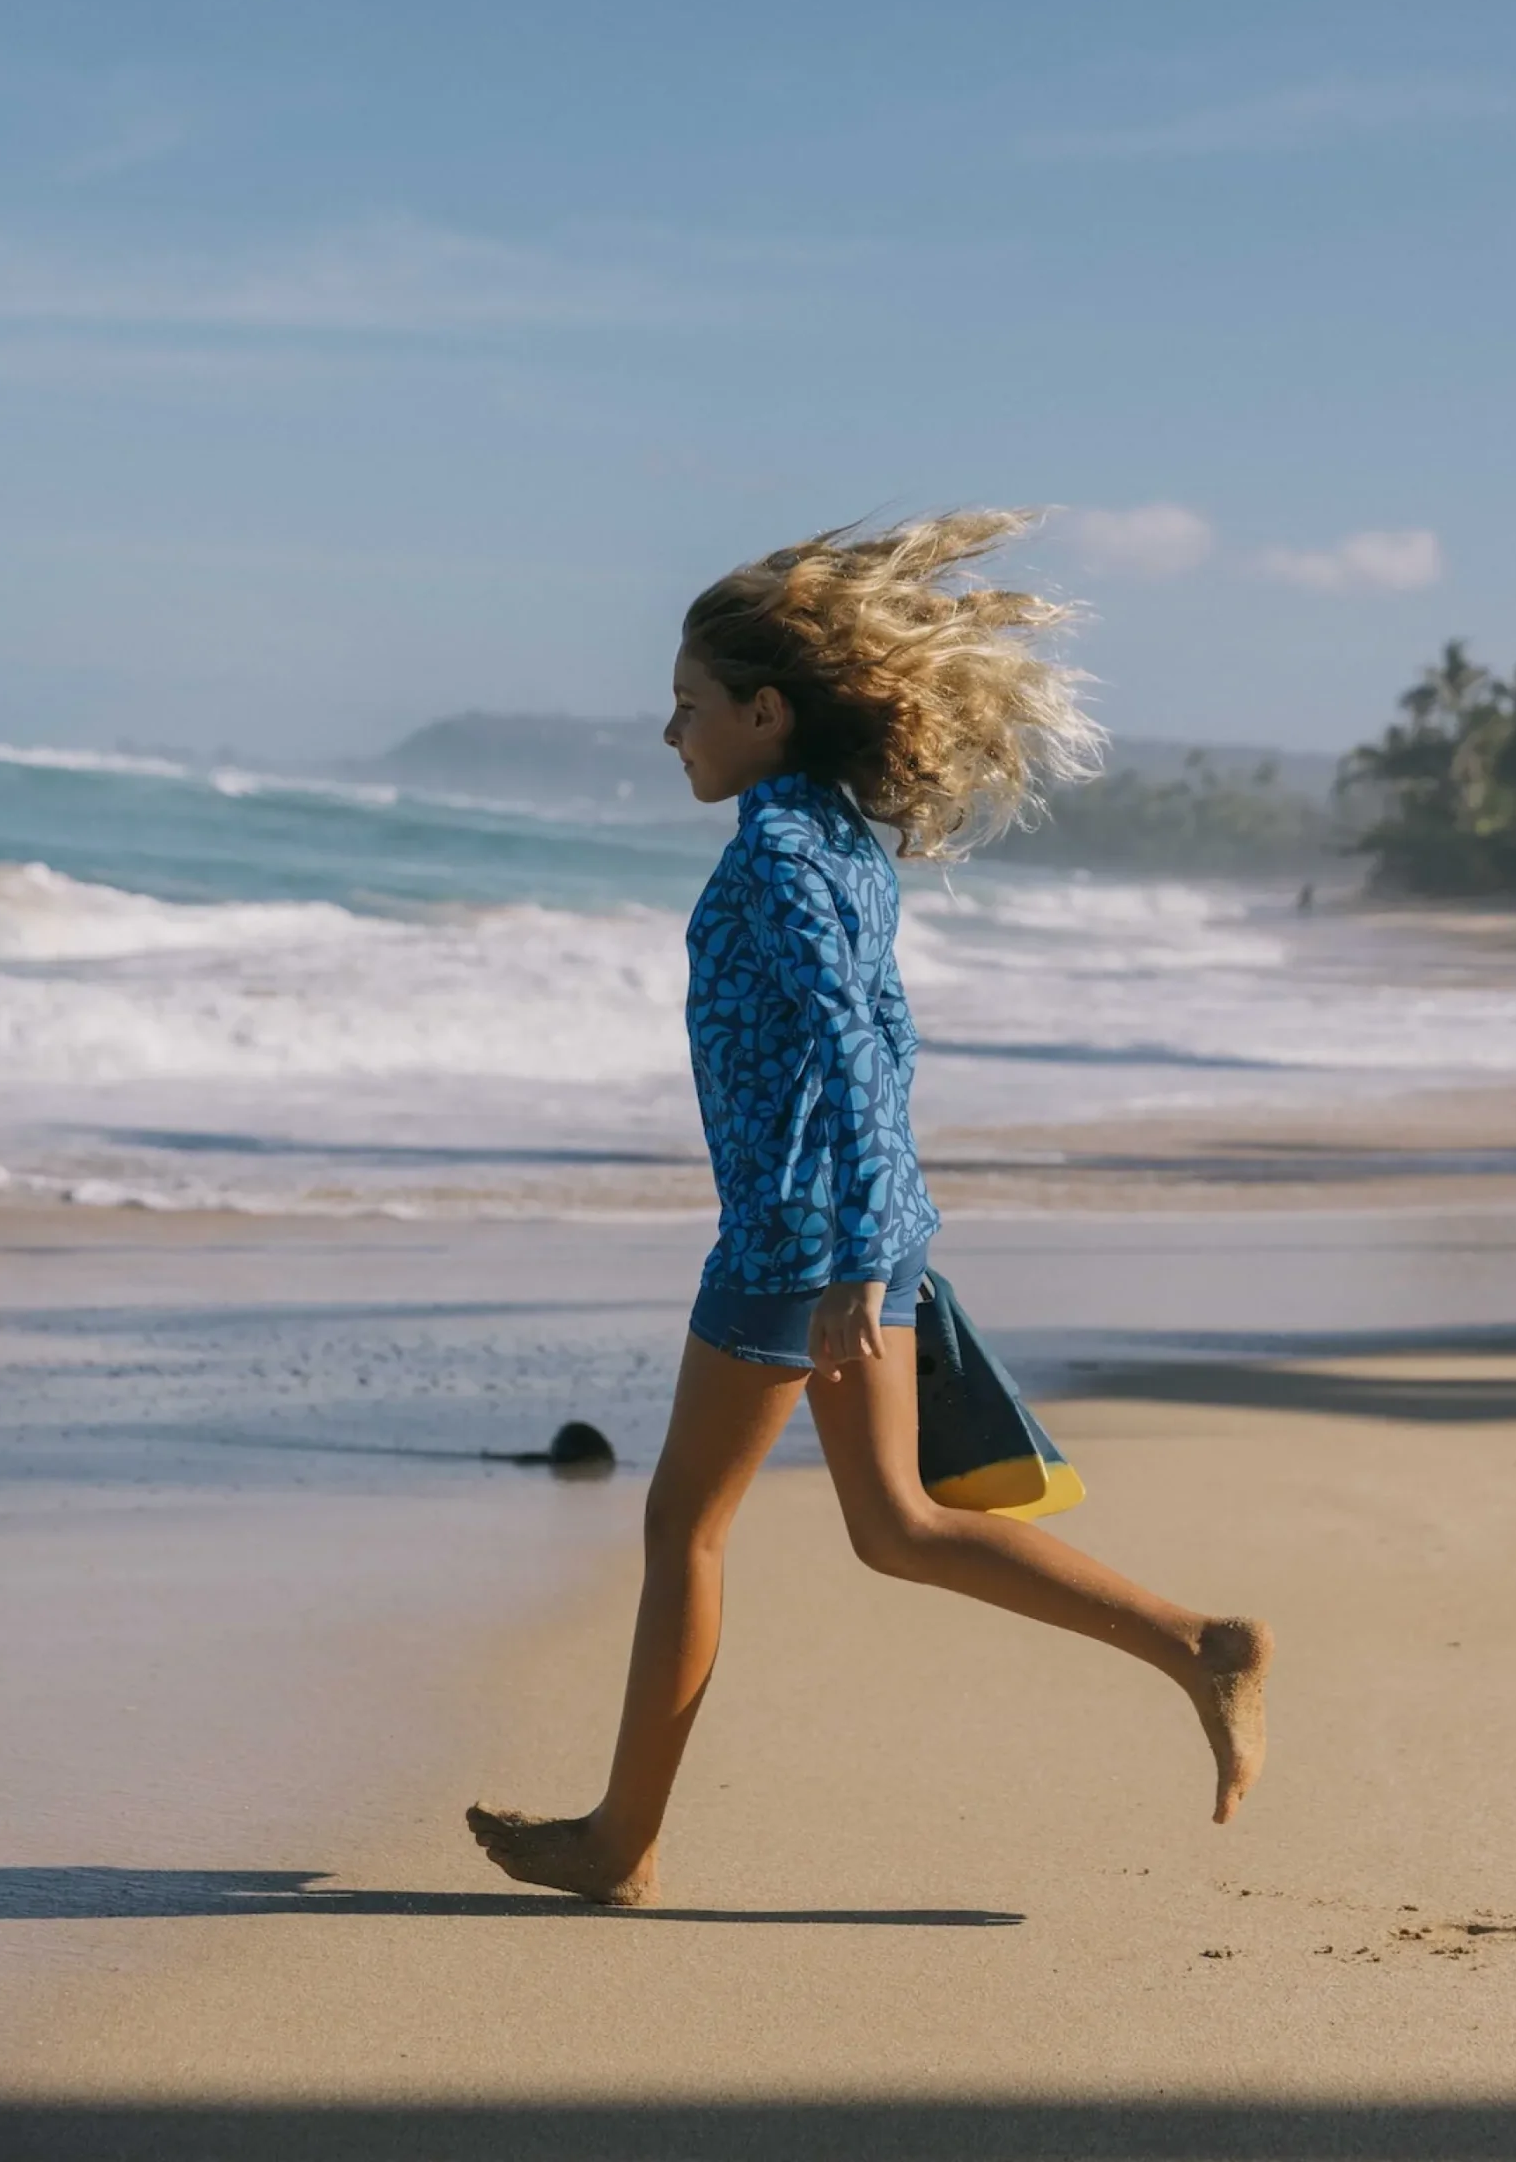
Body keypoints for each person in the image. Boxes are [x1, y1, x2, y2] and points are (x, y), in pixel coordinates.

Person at [469, 512, 1272, 1906]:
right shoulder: (836, 838)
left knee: (686, 1530)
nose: (671, 736)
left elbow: (846, 1040)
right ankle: (1196, 1643)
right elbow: (884, 1041)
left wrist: (843, 1258)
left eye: (688, 708)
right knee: (897, 1524)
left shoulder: (782, 858)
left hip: (796, 1238)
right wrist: (889, 1235)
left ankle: (621, 1844)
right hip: (868, 1220)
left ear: (766, 713)